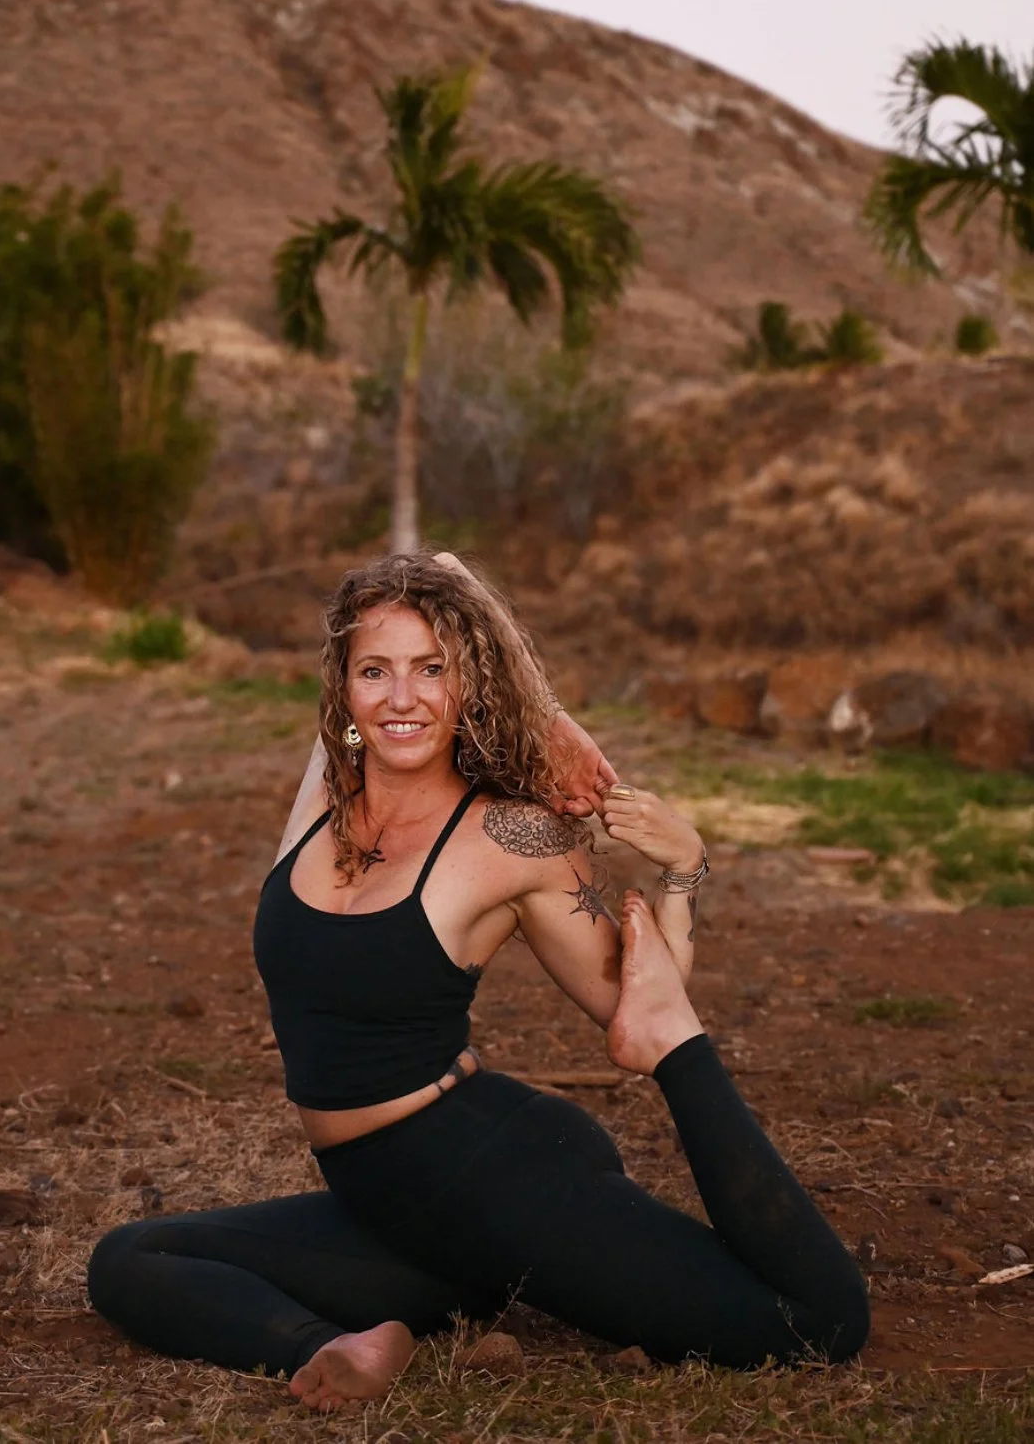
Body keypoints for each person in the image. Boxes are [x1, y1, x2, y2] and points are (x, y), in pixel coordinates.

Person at [87, 552, 869, 1411]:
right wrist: (554, 718)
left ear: (467, 682)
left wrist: (680, 872)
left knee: (813, 1326)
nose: (400, 697)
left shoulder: (510, 836)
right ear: (342, 687)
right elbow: (440, 564)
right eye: (374, 671)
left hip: (488, 1174)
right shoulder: (325, 791)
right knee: (129, 1260)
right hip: (385, 1198)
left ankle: (678, 1074)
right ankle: (352, 1342)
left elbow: (630, 996)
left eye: (433, 670)